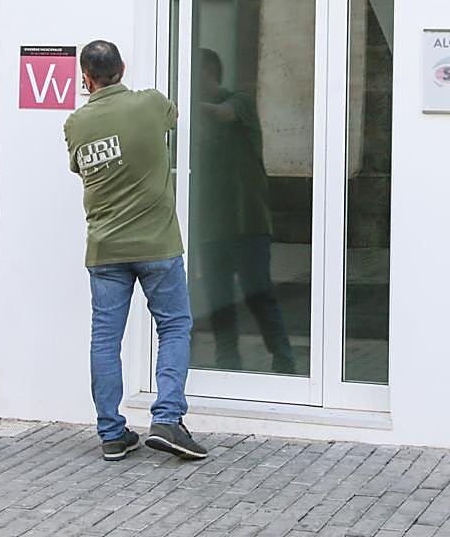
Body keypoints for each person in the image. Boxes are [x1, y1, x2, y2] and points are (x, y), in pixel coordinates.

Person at [64, 39, 208, 462]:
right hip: (157, 244)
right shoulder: (150, 105)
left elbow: (77, 166)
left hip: (105, 249)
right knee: (175, 326)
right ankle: (166, 419)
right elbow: (172, 117)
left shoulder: (76, 123)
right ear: (123, 68)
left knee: (105, 340)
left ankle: (112, 434)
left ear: (84, 78)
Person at [193, 48, 296, 375]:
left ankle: (284, 360)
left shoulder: (240, 101)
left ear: (209, 72)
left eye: (192, 74)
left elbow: (222, 114)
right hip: (210, 226)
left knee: (258, 295)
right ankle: (227, 364)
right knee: (219, 301)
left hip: (246, 221)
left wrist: (182, 106)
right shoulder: (200, 121)